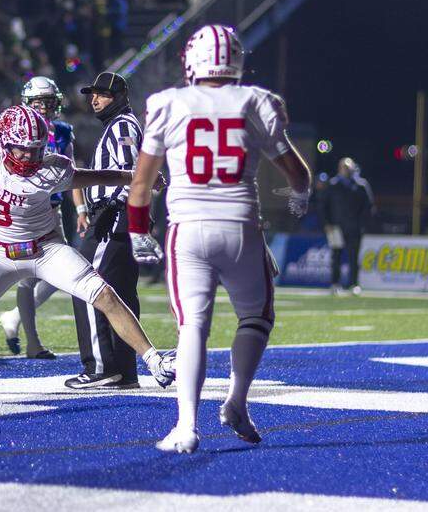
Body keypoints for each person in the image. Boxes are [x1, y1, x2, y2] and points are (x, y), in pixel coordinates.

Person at [0, 100, 174, 395]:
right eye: (22, 148)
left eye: (35, 148)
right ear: (4, 143)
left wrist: (139, 178)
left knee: (104, 294)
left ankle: (155, 361)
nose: (29, 155)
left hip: (46, 250)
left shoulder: (52, 169)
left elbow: (98, 175)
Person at [126, 24, 311, 453]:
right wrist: (299, 196)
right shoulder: (255, 101)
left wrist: (138, 230)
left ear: (192, 61)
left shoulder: (167, 103)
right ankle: (236, 400)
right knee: (257, 318)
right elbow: (297, 173)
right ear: (237, 61)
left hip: (187, 230)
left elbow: (141, 183)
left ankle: (186, 426)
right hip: (242, 228)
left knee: (192, 326)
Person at [65, 71, 144, 390]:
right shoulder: (120, 125)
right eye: (92, 93)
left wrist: (118, 210)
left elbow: (130, 172)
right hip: (120, 216)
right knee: (122, 295)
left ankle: (101, 366)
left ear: (121, 97)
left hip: (113, 215)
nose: (94, 99)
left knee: (85, 282)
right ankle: (125, 370)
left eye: (103, 94)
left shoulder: (122, 126)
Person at [0, 76, 74, 359]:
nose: (43, 107)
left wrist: (79, 209)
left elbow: (72, 173)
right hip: (23, 209)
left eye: (48, 102)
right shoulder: (13, 129)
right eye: (38, 102)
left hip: (52, 209)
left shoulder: (64, 131)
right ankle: (32, 340)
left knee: (61, 273)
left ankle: (15, 317)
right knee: (26, 275)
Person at [321, 157, 373, 295]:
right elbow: (323, 206)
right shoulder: (332, 185)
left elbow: (368, 207)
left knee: (354, 257)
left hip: (354, 228)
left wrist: (363, 224)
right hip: (335, 228)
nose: (346, 170)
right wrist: (327, 223)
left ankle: (354, 284)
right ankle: (335, 283)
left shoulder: (361, 185)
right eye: (344, 167)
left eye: (349, 167)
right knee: (336, 256)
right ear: (339, 168)